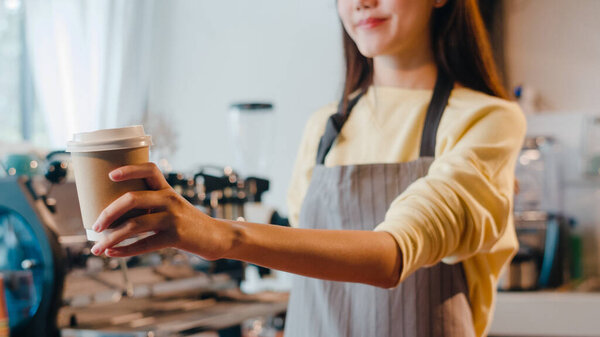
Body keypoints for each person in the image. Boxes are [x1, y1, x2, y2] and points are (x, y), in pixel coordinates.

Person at [90, 0, 526, 336]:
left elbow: (393, 255)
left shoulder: (488, 120)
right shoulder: (324, 128)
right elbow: (309, 270)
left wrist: (220, 234)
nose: (362, 1)